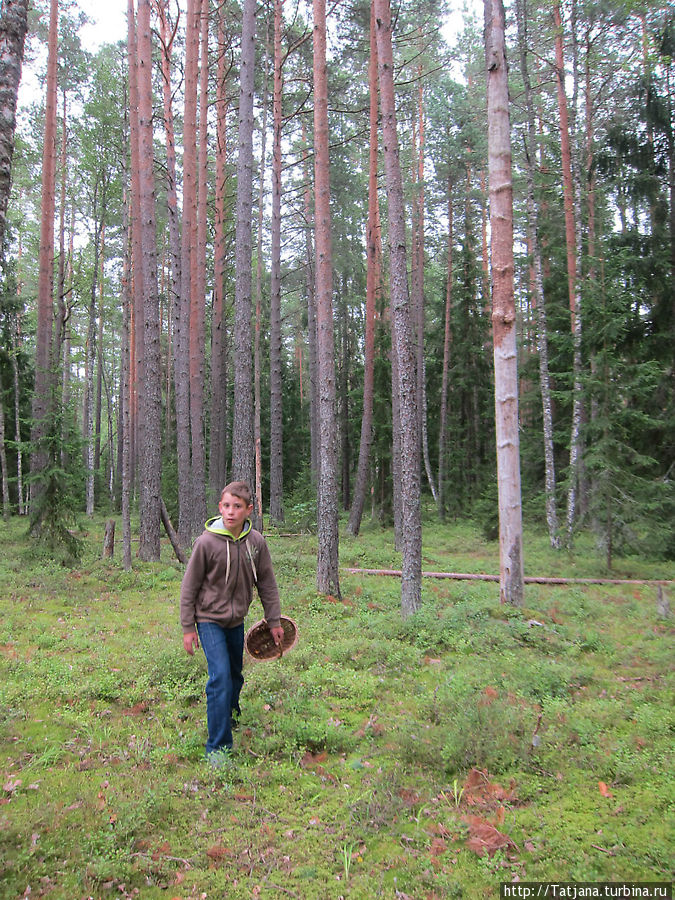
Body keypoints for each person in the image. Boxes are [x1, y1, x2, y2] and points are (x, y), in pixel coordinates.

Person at [180, 481, 284, 761]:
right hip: (208, 620)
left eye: (237, 506)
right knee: (220, 677)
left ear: (249, 509)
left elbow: (268, 584)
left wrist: (274, 621)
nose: (231, 512)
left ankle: (230, 714)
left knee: (235, 675)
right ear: (219, 508)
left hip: (236, 621)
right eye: (226, 505)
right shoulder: (206, 543)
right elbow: (189, 587)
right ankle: (218, 746)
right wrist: (188, 627)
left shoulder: (256, 543)